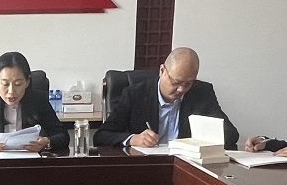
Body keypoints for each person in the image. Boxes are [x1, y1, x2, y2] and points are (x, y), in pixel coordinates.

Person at [93, 47, 238, 150]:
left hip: (187, 167)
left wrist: (207, 132)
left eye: (188, 83)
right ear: (162, 71)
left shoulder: (201, 92)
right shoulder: (135, 94)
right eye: (176, 82)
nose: (181, 89)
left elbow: (231, 135)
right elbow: (101, 136)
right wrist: (133, 139)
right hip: (147, 166)